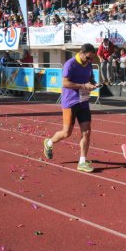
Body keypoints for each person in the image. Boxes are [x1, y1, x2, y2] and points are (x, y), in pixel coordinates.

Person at [43, 43, 98, 173]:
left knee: (87, 131)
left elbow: (91, 78)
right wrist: (84, 86)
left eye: (92, 58)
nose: (90, 61)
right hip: (70, 102)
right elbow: (65, 83)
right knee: (66, 133)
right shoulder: (70, 64)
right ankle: (49, 142)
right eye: (88, 58)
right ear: (82, 53)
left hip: (83, 102)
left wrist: (93, 83)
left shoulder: (89, 64)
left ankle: (82, 161)